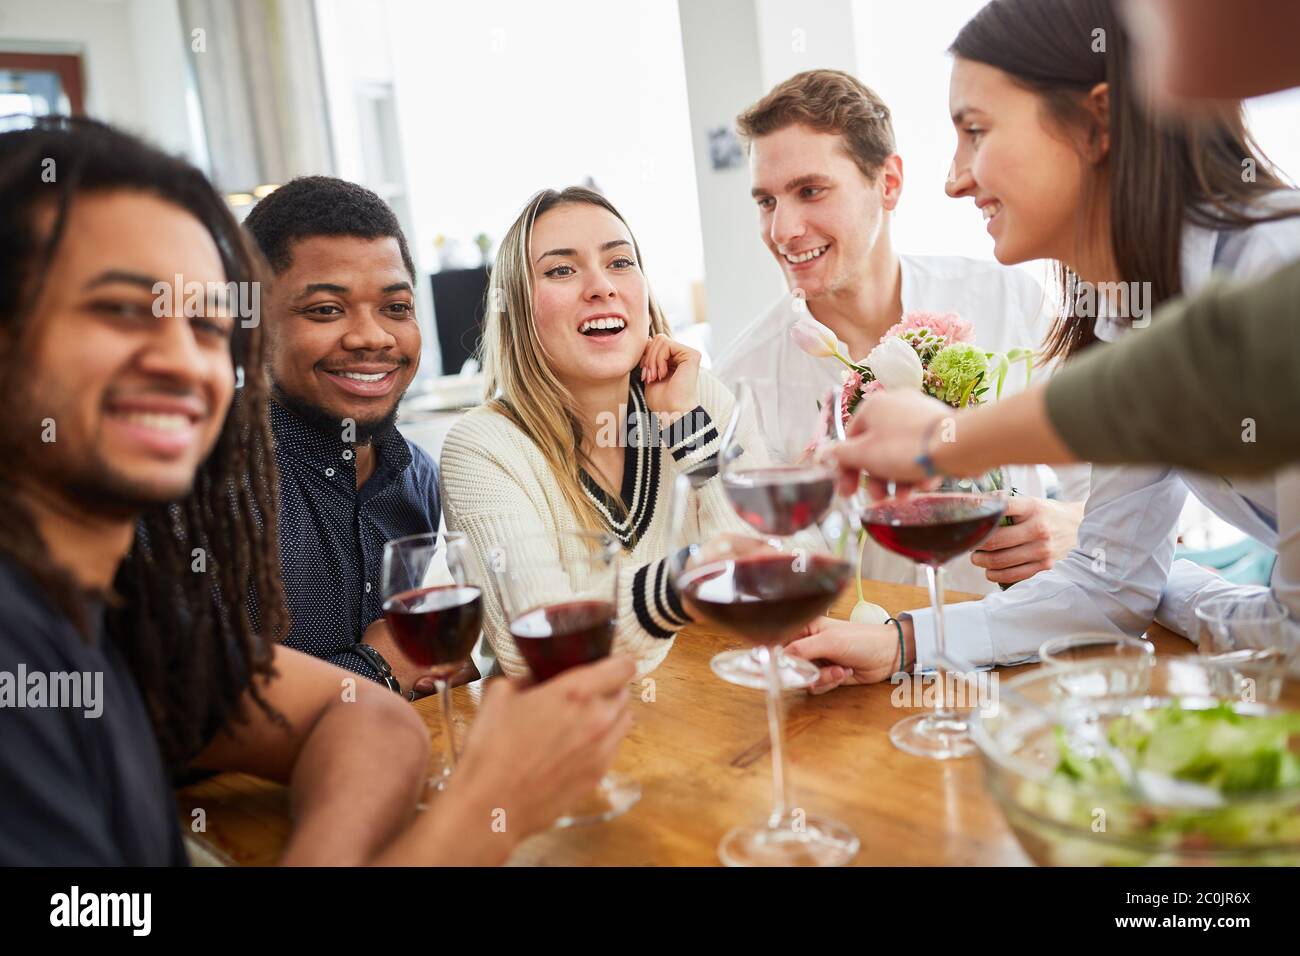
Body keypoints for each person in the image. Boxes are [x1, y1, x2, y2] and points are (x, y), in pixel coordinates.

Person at [0, 117, 632, 865]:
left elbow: (368, 721)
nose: (179, 358)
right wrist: (482, 811)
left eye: (205, 322)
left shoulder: (107, 618)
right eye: (118, 310)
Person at [784, 0, 1300, 691]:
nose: (954, 178)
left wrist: (1172, 581)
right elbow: (1110, 586)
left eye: (975, 130)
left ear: (1099, 122)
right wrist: (899, 642)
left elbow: (1287, 636)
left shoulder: (1272, 268)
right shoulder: (1119, 319)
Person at [714, 69, 1089, 594]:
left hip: (1027, 641)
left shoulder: (1007, 298)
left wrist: (1075, 525)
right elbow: (773, 574)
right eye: (766, 201)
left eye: (810, 191)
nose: (783, 230)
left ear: (887, 183)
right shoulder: (740, 383)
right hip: (868, 660)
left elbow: (1110, 481)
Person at [440, 186, 788, 679]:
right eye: (561, 270)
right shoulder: (484, 448)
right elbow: (533, 647)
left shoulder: (699, 398)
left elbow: (766, 578)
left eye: (620, 262)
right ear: (517, 308)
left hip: (715, 713)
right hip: (572, 733)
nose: (601, 286)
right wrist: (678, 583)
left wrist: (687, 428)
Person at [243, 176, 468, 700]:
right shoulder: (197, 485)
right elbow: (173, 718)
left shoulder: (418, 478)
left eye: (395, 308)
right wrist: (380, 670)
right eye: (325, 309)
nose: (373, 336)